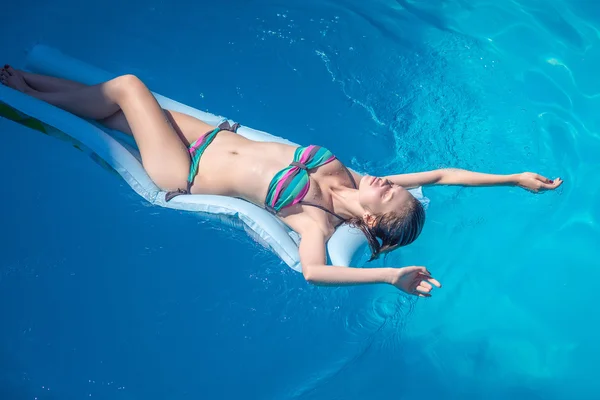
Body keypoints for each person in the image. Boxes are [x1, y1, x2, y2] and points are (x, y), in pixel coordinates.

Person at [0, 65, 563, 298]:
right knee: (115, 111)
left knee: (126, 87)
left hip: (184, 168)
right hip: (207, 134)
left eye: (387, 193)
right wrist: (513, 178)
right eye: (392, 185)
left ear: (369, 219)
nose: (388, 181)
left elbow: (316, 271)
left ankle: (21, 89)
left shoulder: (312, 219)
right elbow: (441, 173)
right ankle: (27, 81)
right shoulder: (353, 178)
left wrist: (391, 274)